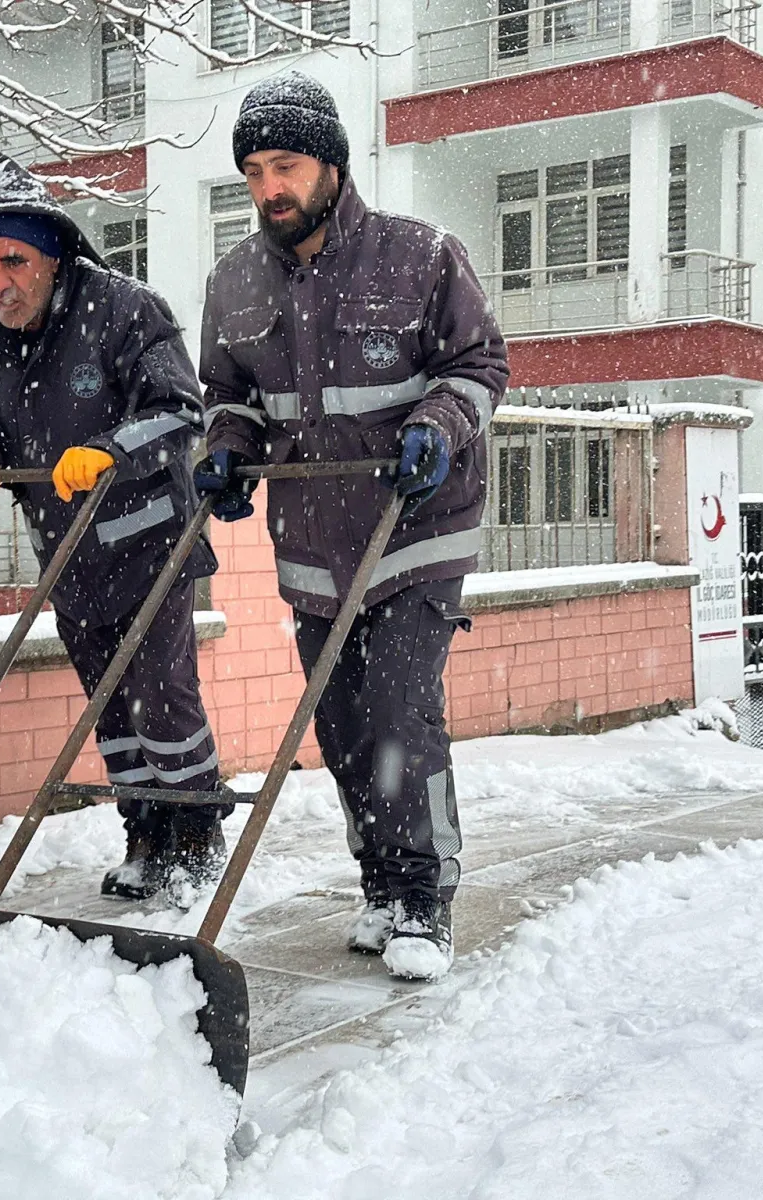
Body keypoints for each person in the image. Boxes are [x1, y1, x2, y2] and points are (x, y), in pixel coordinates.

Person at [195, 72, 509, 979]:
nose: (268, 189)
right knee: (340, 727)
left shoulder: (420, 256)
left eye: (284, 165)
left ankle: (424, 897)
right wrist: (225, 450)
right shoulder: (236, 281)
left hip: (417, 527)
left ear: (331, 163)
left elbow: (480, 363)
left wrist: (437, 426)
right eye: (253, 171)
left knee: (399, 714)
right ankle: (378, 884)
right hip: (315, 546)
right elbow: (232, 396)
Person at [0, 151, 231, 902]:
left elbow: (179, 411)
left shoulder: (125, 309)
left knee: (162, 696)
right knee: (110, 703)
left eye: (14, 261)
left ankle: (197, 834)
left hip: (148, 542)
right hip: (66, 551)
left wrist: (109, 452)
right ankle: (145, 834)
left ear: (53, 253)